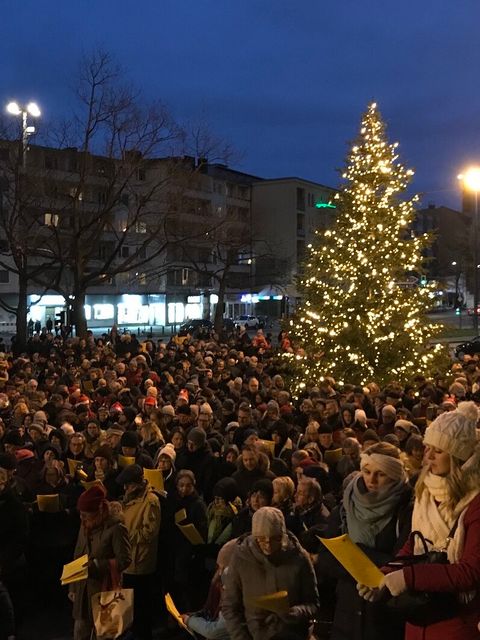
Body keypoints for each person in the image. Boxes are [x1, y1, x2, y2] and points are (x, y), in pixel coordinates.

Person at [357, 402, 480, 640]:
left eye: (439, 450)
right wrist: (381, 577)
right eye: (428, 447)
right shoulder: (424, 492)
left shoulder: (474, 504)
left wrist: (408, 577)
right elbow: (414, 547)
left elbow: (470, 572)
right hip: (418, 616)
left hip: (455, 622)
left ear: (458, 456)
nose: (428, 455)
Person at [318, 442, 412, 640]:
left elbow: (399, 563)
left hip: (385, 618)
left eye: (381, 474)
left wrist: (352, 552)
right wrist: (370, 565)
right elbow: (326, 558)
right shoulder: (347, 505)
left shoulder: (406, 510)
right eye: (367, 471)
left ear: (394, 474)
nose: (372, 479)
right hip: (347, 613)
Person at [223, 506, 319, 640]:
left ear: (283, 535)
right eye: (261, 540)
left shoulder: (299, 557)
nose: (268, 545)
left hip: (292, 634)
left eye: (275, 539)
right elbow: (230, 607)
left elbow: (313, 603)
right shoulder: (242, 558)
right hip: (255, 635)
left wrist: (294, 613)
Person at [69, 485, 131, 640]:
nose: (81, 518)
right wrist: (73, 587)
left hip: (105, 590)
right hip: (83, 591)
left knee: (104, 635)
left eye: (85, 514)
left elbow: (125, 560)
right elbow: (78, 554)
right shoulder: (84, 526)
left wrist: (97, 566)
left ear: (98, 512)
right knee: (80, 632)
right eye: (81, 514)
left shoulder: (116, 529)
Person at [118, 464, 161, 640]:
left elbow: (148, 532)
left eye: (127, 485)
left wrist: (124, 535)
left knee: (142, 607)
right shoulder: (128, 498)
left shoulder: (150, 501)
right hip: (128, 559)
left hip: (140, 561)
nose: (125, 488)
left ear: (136, 484)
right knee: (131, 605)